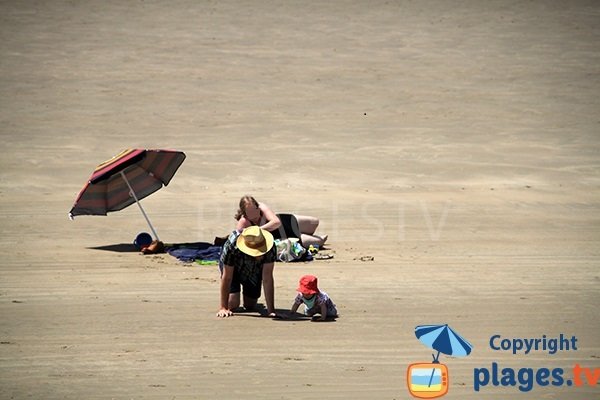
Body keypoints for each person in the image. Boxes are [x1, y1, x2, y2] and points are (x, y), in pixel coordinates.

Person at [217, 226, 277, 318]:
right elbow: (227, 277)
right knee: (232, 304)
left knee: (250, 305)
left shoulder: (270, 247)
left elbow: (267, 278)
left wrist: (271, 310)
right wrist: (223, 308)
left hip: (254, 269)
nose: (260, 254)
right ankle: (229, 301)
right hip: (233, 268)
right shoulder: (232, 245)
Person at [234, 195, 328, 248]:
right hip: (279, 237)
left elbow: (276, 222)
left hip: (285, 223)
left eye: (255, 210)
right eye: (250, 212)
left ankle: (304, 233)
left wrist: (258, 229)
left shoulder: (261, 206)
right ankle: (307, 236)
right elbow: (238, 241)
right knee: (319, 241)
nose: (254, 214)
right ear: (244, 212)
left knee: (314, 222)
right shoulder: (243, 222)